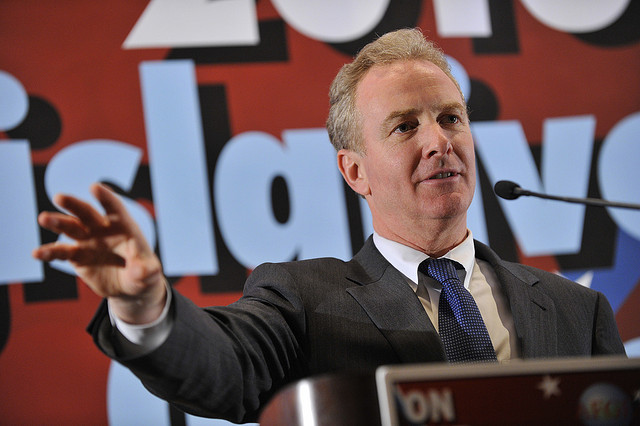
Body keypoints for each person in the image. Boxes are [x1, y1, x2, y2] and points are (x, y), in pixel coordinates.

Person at [32, 28, 625, 423]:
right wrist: (145, 306)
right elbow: (224, 369)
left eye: (451, 118)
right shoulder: (304, 301)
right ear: (355, 171)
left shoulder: (576, 310)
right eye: (405, 126)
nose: (440, 141)